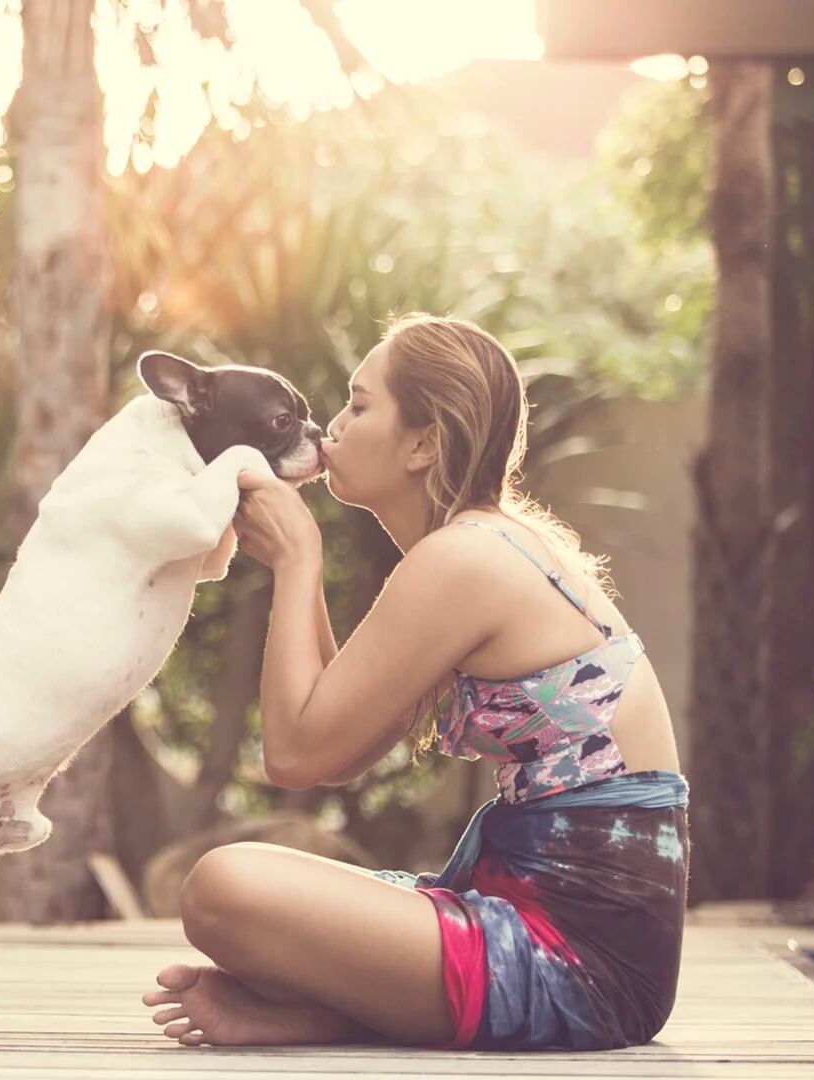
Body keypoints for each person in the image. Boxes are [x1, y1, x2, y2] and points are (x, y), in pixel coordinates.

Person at [141, 313, 690, 1051]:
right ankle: (339, 1010)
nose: (330, 427)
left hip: (585, 962)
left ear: (424, 443)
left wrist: (300, 558)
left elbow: (298, 758)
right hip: (549, 924)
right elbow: (337, 744)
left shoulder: (463, 560)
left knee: (223, 890)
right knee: (244, 896)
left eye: (359, 405)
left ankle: (339, 1010)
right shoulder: (476, 545)